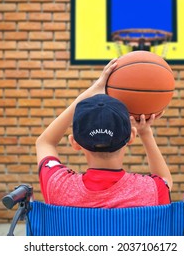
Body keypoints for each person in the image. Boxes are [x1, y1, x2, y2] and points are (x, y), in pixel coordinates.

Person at [35, 58, 173, 208]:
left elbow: (44, 142)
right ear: (131, 136)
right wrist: (145, 133)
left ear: (74, 142)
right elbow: (165, 179)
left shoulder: (58, 186)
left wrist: (88, 93)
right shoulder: (151, 190)